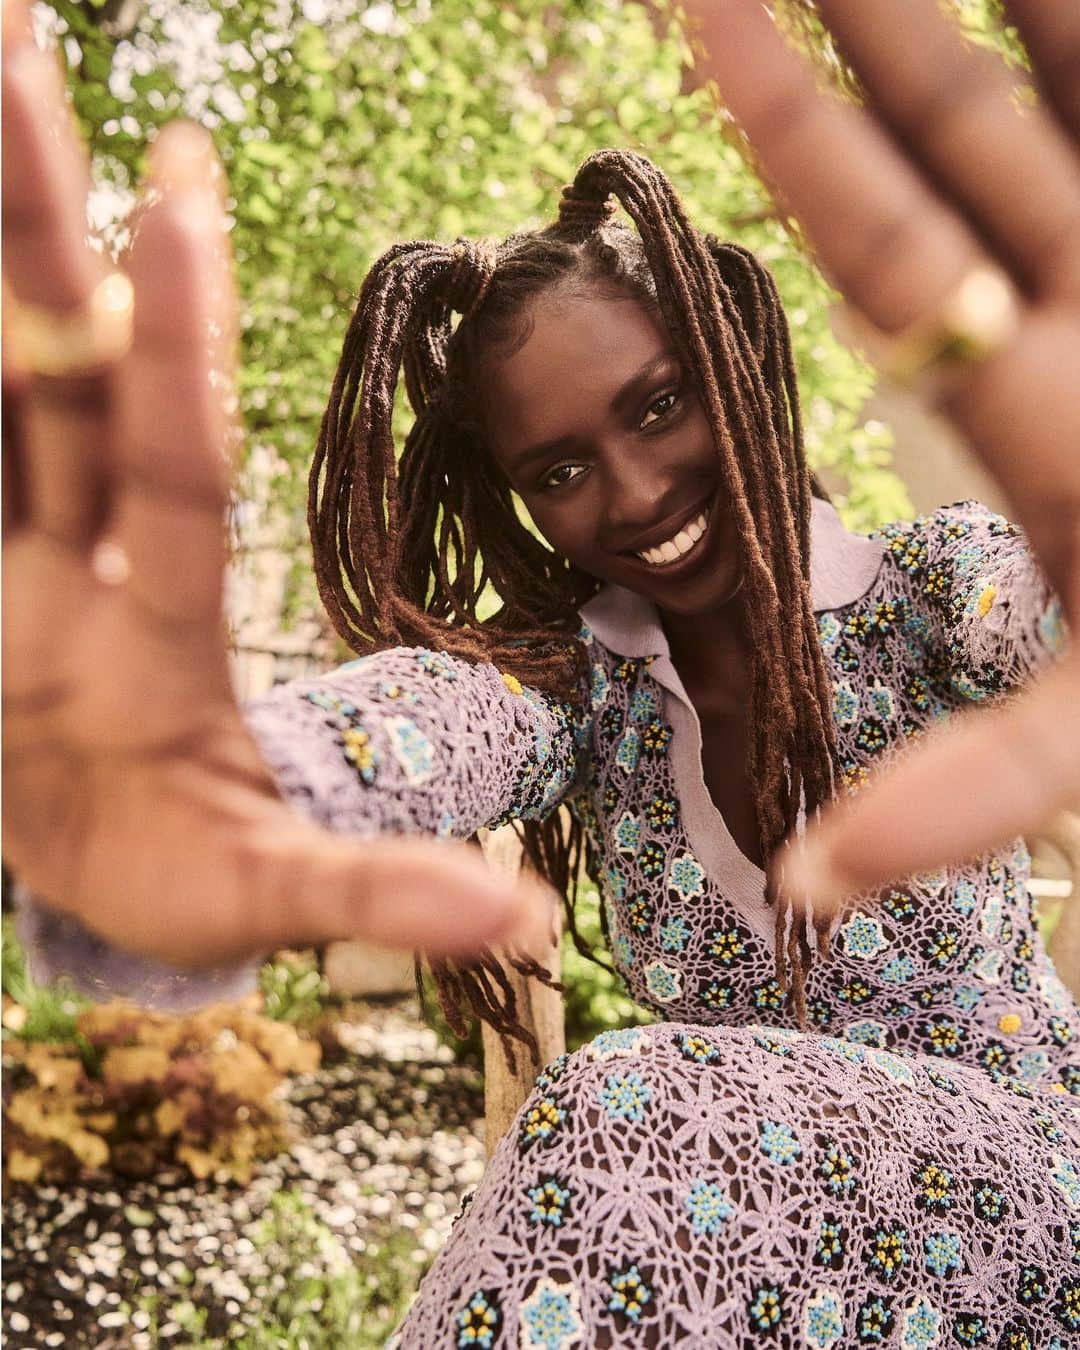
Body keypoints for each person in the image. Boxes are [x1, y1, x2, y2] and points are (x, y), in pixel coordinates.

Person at [3, 0, 1079, 1344]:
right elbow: (423, 721)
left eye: (659, 404)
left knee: (615, 1103)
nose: (634, 493)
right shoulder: (589, 694)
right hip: (760, 1283)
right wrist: (238, 778)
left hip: (1026, 1214)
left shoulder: (924, 595)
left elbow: (1033, 616)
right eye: (559, 472)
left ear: (732, 364)